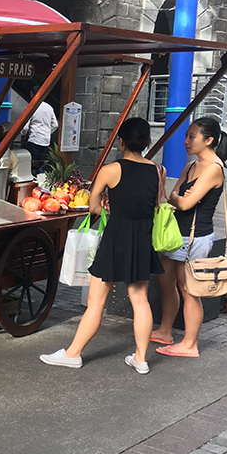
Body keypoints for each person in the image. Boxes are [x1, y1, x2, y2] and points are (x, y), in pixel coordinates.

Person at [40, 118, 164, 375]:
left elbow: (93, 207)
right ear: (147, 141)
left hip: (116, 237)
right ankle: (141, 359)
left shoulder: (110, 170)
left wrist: (108, 204)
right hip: (142, 238)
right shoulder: (158, 170)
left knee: (96, 302)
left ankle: (73, 354)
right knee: (140, 300)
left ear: (121, 142)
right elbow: (154, 204)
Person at [150, 117, 227, 358]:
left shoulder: (214, 168)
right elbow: (173, 196)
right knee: (165, 282)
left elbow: (184, 203)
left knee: (189, 290)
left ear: (209, 140)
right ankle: (165, 331)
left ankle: (190, 344)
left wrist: (179, 199)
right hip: (176, 234)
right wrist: (179, 198)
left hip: (195, 237)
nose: (186, 141)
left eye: (192, 136)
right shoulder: (191, 166)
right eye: (186, 135)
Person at [21, 85, 59, 173]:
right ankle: (41, 178)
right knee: (41, 163)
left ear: (32, 94)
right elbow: (55, 125)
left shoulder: (31, 107)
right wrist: (48, 132)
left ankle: (33, 178)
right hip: (46, 140)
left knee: (31, 163)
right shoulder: (49, 107)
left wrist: (24, 134)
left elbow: (25, 126)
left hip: (34, 139)